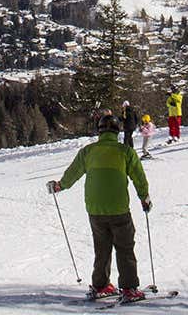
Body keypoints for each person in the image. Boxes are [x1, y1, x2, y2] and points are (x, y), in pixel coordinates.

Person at [48, 114, 151, 304]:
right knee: (124, 247)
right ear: (117, 131)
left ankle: (100, 285)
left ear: (100, 131)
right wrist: (144, 198)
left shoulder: (88, 151)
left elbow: (73, 174)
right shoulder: (125, 151)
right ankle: (128, 288)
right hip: (118, 208)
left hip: (95, 209)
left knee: (101, 247)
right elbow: (139, 177)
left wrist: (59, 186)